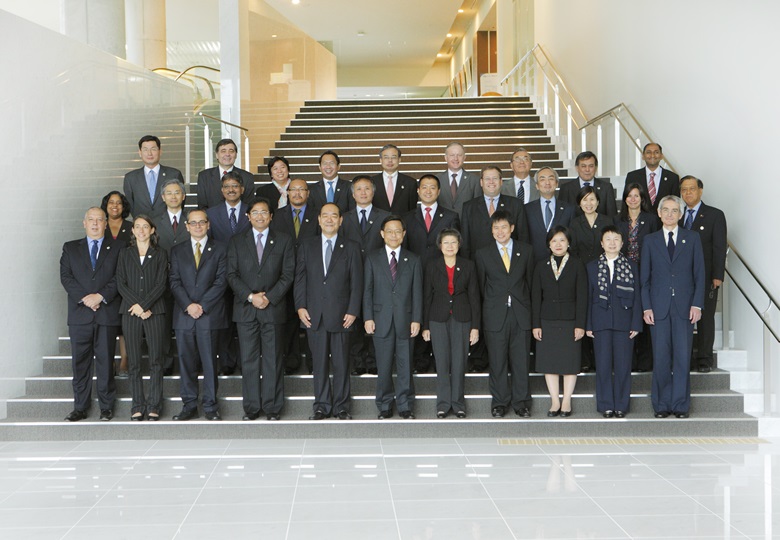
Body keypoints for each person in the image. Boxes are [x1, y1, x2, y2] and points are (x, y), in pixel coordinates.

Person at [227, 197, 295, 421]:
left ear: (271, 216)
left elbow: (288, 274)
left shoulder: (284, 241)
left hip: (273, 309)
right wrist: (250, 296)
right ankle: (252, 408)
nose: (259, 216)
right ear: (248, 216)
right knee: (248, 360)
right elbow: (232, 275)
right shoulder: (236, 241)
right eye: (255, 212)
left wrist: (270, 297)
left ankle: (273, 408)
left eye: (264, 212)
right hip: (246, 310)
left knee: (273, 360)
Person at [295, 203, 363, 420]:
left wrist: (353, 310)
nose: (330, 220)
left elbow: (357, 282)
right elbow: (300, 279)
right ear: (319, 219)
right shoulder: (307, 245)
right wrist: (300, 306)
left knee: (342, 364)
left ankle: (342, 406)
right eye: (326, 216)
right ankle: (322, 405)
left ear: (341, 220)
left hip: (343, 316)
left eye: (334, 216)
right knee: (319, 365)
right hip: (314, 315)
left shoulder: (351, 246)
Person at [641, 195, 705, 419]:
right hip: (658, 308)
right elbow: (645, 278)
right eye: (665, 210)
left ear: (680, 214)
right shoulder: (650, 241)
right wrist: (646, 307)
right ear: (659, 213)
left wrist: (697, 304)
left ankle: (680, 405)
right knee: (660, 357)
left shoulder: (692, 238)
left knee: (681, 357)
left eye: (674, 210)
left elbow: (699, 274)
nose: (669, 214)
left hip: (684, 308)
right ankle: (661, 405)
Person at [59, 207, 123, 422]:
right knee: (80, 363)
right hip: (79, 316)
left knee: (105, 361)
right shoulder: (70, 248)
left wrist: (100, 296)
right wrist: (87, 298)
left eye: (100, 220)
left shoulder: (118, 247)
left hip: (106, 313)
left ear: (106, 223)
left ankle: (106, 406)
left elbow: (119, 277)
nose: (95, 224)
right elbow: (66, 278)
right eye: (91, 220)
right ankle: (80, 407)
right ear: (84, 223)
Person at [169, 209, 228, 421]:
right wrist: (188, 305)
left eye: (201, 222)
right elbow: (174, 282)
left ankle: (211, 406)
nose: (197, 226)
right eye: (193, 223)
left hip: (209, 315)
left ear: (208, 224)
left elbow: (221, 281)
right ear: (186, 226)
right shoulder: (177, 251)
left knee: (210, 362)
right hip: (184, 316)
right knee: (186, 362)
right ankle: (189, 405)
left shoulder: (220, 249)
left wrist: (201, 305)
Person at [475, 210, 535, 418]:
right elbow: (481, 287)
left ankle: (521, 403)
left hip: (521, 315)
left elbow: (530, 284)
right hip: (495, 315)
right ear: (491, 231)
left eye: (504, 227)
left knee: (521, 361)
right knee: (497, 361)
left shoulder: (526, 251)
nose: (500, 231)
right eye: (496, 228)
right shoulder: (482, 254)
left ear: (512, 228)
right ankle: (499, 402)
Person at [363, 216, 423, 419]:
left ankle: (405, 405)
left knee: (405, 365)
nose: (394, 235)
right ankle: (385, 405)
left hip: (405, 320)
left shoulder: (413, 259)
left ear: (404, 234)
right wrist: (368, 317)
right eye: (389, 231)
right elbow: (367, 290)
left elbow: (417, 293)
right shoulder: (372, 258)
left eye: (398, 231)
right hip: (380, 320)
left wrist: (416, 319)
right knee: (384, 365)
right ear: (382, 234)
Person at [403, 174, 460, 373]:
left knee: (439, 313)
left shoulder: (451, 216)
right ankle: (420, 360)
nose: (428, 190)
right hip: (415, 273)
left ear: (438, 191)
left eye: (432, 187)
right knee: (419, 310)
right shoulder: (408, 217)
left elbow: (456, 246)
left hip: (442, 273)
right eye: (424, 187)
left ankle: (440, 359)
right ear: (418, 191)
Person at [422, 229, 480, 418]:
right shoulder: (432, 266)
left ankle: (458, 404)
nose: (449, 246)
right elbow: (426, 297)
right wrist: (425, 326)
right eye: (446, 243)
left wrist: (475, 327)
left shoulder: (468, 266)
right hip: (437, 318)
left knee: (459, 362)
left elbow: (474, 298)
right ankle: (443, 404)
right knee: (442, 362)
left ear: (459, 245)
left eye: (453, 242)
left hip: (462, 318)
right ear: (440, 246)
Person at [116, 215, 169, 421]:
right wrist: (137, 307)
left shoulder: (160, 253)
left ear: (152, 230)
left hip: (155, 312)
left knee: (156, 360)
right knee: (134, 361)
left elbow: (160, 284)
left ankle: (154, 405)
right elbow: (121, 283)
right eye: (137, 226)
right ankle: (137, 405)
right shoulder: (124, 253)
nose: (141, 230)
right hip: (130, 313)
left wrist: (145, 305)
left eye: (145, 226)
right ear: (132, 230)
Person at [586, 226, 643, 418]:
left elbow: (637, 297)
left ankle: (621, 405)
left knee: (623, 366)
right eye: (608, 239)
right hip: (600, 322)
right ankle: (605, 405)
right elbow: (587, 297)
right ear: (601, 243)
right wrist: (588, 325)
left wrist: (636, 323)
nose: (612, 243)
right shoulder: (591, 266)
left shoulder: (632, 266)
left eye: (616, 239)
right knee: (602, 366)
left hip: (624, 322)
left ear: (622, 242)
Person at [532, 226, 587, 417]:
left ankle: (566, 401)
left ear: (569, 243)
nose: (558, 244)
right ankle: (554, 401)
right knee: (550, 362)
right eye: (554, 240)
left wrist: (580, 324)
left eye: (562, 240)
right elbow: (536, 297)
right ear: (548, 243)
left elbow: (582, 296)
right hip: (547, 320)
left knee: (569, 362)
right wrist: (536, 324)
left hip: (570, 320)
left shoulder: (577, 264)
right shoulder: (541, 265)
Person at [340, 175, 390, 376]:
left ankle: (374, 359)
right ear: (352, 194)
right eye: (359, 189)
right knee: (355, 317)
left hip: (378, 276)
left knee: (375, 316)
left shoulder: (385, 216)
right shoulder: (344, 217)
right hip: (350, 276)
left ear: (373, 192)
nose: (363, 192)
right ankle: (358, 360)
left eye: (367, 189)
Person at [679, 175, 727, 373]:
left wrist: (717, 275)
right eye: (684, 190)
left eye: (691, 189)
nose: (688, 193)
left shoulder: (715, 215)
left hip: (706, 276)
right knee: (684, 317)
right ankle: (687, 357)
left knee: (705, 317)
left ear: (700, 190)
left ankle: (705, 358)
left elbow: (719, 246)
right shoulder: (678, 216)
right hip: (682, 279)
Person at [270, 178, 318, 375]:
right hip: (284, 275)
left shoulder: (318, 215)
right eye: (293, 190)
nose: (297, 193)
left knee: (312, 320)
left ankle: (314, 362)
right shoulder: (277, 216)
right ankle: (291, 361)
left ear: (308, 193)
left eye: (301, 190)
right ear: (287, 193)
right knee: (288, 320)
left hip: (312, 277)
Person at [205, 170, 250, 375]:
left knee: (245, 320)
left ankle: (245, 360)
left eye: (235, 186)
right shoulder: (212, 214)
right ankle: (226, 362)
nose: (231, 190)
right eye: (227, 187)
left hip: (247, 275)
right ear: (221, 191)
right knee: (224, 321)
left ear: (242, 189)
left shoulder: (252, 211)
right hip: (221, 273)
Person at [615, 183, 659, 372]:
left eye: (636, 196)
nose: (633, 199)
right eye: (629, 196)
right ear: (625, 199)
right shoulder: (618, 221)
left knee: (647, 316)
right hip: (624, 274)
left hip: (647, 273)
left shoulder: (651, 219)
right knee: (628, 317)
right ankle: (630, 361)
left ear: (642, 198)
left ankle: (646, 362)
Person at [569, 186, 612, 372]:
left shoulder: (607, 221)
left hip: (604, 274)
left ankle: (601, 357)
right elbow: (572, 251)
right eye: (585, 200)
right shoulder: (574, 223)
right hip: (582, 274)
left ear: (598, 202)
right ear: (579, 203)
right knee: (584, 313)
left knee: (601, 311)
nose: (589, 203)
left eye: (592, 199)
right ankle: (585, 358)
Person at [154, 178, 191, 376]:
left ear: (183, 196)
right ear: (162, 197)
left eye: (177, 192)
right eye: (169, 193)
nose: (174, 196)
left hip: (188, 283)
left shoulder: (193, 219)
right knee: (164, 324)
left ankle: (192, 362)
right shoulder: (155, 222)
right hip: (162, 281)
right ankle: (166, 363)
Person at [460, 165, 527, 259]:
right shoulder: (469, 207)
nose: (491, 182)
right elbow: (465, 241)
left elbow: (523, 236)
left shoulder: (516, 204)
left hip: (509, 261)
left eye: (495, 178)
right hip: (478, 262)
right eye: (487, 178)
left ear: (501, 181)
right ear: (481, 182)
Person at [100, 191, 132, 376]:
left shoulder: (131, 226)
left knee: (124, 325)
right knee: (108, 323)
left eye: (118, 203)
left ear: (124, 206)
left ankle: (125, 360)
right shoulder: (100, 226)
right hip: (105, 283)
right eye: (111, 202)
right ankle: (109, 360)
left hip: (126, 281)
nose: (114, 206)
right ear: (106, 205)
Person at [123, 135, 183, 217]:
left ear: (160, 151)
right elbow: (131, 205)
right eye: (145, 150)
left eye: (153, 149)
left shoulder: (174, 174)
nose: (149, 153)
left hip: (168, 226)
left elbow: (180, 202)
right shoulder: (130, 178)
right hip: (142, 226)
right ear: (140, 153)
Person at [525, 166, 576, 264]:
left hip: (562, 262)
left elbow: (572, 237)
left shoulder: (569, 209)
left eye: (551, 179)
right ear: (537, 185)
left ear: (556, 183)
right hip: (535, 262)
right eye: (542, 179)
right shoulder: (527, 209)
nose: (547, 183)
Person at [196, 138, 255, 209]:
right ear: (217, 155)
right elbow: (202, 205)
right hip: (211, 219)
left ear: (236, 155)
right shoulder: (204, 176)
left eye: (231, 151)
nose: (227, 154)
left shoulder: (247, 177)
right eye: (223, 151)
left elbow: (248, 206)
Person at [558, 151, 617, 217]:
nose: (587, 169)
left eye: (591, 166)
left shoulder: (606, 187)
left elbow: (612, 216)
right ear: (577, 168)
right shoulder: (566, 188)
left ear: (596, 168)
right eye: (583, 166)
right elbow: (562, 217)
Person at [624, 143, 680, 211]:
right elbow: (626, 201)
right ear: (643, 156)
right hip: (640, 219)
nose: (652, 155)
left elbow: (676, 204)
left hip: (664, 220)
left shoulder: (673, 178)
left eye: (656, 152)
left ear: (661, 156)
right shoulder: (632, 176)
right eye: (648, 152)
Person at [435, 142, 482, 216]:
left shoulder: (474, 180)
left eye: (459, 155)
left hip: (466, 225)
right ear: (446, 158)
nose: (455, 158)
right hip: (443, 226)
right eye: (452, 155)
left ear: (464, 157)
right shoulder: (437, 179)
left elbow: (477, 208)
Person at [370, 144, 418, 214]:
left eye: (393, 157)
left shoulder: (410, 183)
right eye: (386, 157)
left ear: (399, 160)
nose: (390, 160)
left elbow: (412, 210)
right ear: (380, 160)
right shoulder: (371, 182)